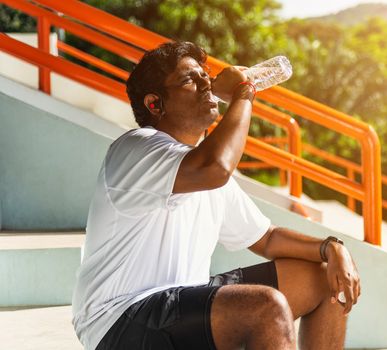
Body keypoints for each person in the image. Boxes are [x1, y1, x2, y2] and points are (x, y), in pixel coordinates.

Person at [72, 41, 361, 350]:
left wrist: (331, 249)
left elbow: (267, 238)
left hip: (180, 307)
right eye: (189, 80)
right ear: (155, 104)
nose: (205, 84)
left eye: (205, 75)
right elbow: (216, 166)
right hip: (119, 320)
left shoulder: (203, 168)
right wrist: (244, 92)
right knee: (266, 307)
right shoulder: (136, 149)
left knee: (325, 279)